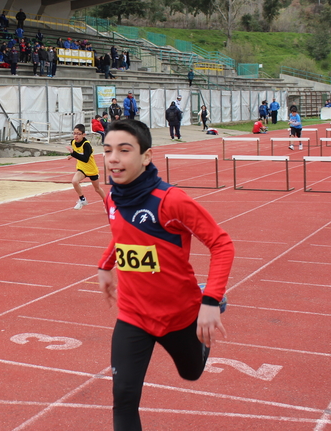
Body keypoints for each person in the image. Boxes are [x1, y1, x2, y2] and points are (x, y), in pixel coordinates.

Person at [97, 119, 233, 431]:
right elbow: (122, 236)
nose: (113, 158)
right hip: (133, 314)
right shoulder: (111, 198)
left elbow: (221, 244)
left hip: (179, 314)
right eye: (107, 150)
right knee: (124, 398)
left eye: (124, 150)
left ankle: (207, 296)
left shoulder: (171, 200)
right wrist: (105, 266)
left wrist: (210, 302)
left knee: (192, 373)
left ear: (146, 156)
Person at [67, 123, 106, 210]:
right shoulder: (73, 142)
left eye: (78, 134)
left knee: (97, 189)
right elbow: (78, 153)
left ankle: (107, 202)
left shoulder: (86, 144)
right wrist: (72, 155)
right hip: (82, 169)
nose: (76, 136)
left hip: (91, 169)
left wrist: (73, 154)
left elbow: (85, 159)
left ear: (84, 134)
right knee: (74, 181)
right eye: (74, 133)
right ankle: (82, 199)